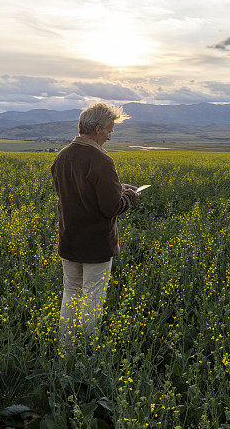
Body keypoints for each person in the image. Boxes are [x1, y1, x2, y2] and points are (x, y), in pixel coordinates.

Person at [50, 102, 139, 348]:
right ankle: (87, 350)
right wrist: (131, 195)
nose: (111, 135)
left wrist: (118, 189)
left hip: (69, 240)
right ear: (98, 129)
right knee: (93, 297)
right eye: (110, 129)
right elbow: (110, 208)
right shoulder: (101, 160)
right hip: (96, 245)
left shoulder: (62, 156)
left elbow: (78, 193)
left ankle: (66, 347)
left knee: (71, 293)